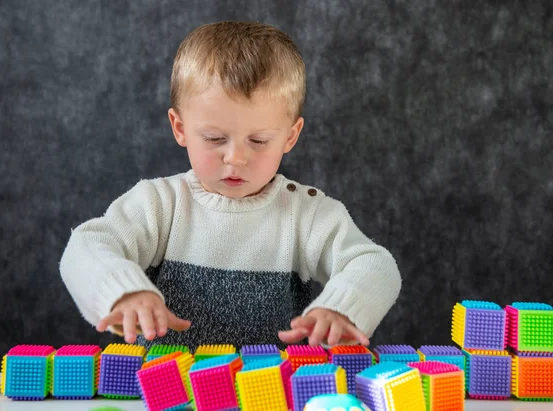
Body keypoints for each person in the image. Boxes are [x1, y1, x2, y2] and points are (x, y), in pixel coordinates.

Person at [60, 21, 401, 351]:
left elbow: (373, 263)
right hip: (171, 393)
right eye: (215, 138)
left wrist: (342, 307)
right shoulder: (159, 204)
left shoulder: (306, 214)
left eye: (258, 140)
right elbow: (87, 246)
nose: (236, 158)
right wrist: (123, 292)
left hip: (271, 395)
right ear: (179, 128)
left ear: (290, 136)